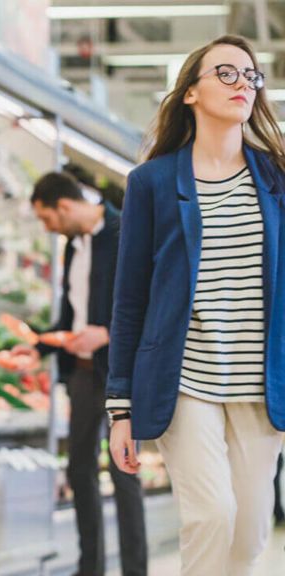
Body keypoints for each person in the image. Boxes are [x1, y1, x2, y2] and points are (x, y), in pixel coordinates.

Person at [107, 35, 285, 576]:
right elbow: (130, 297)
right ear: (190, 92)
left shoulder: (277, 179)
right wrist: (120, 407)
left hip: (261, 383)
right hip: (183, 381)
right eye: (225, 74)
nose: (242, 85)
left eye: (250, 76)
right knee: (211, 515)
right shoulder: (152, 183)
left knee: (250, 530)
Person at [22, 172, 148, 576]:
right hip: (79, 374)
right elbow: (70, 315)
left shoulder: (126, 230)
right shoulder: (73, 249)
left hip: (118, 372)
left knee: (123, 472)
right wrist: (38, 344)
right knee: (80, 468)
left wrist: (107, 334)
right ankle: (89, 568)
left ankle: (134, 571)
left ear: (63, 206)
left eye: (47, 219)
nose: (48, 228)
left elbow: (143, 304)